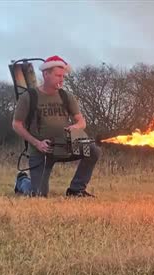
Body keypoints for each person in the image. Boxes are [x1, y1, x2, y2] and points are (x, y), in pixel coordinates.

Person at [12, 55, 100, 197]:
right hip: (41, 150)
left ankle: (76, 190)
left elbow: (81, 121)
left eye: (63, 76)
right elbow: (16, 125)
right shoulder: (29, 97)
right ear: (46, 74)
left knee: (93, 150)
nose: (61, 79)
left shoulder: (67, 96)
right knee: (38, 194)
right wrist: (37, 143)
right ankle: (22, 181)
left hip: (64, 146)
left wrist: (76, 128)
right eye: (58, 75)